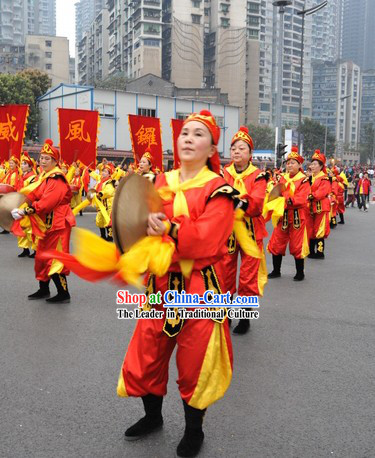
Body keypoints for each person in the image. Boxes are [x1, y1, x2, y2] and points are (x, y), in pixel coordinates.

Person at [49, 110, 236, 458]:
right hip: (161, 285)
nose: (189, 139)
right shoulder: (161, 182)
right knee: (147, 354)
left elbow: (208, 239)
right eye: (184, 133)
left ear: (212, 145)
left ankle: (194, 430)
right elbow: (136, 221)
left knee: (195, 362)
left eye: (198, 134)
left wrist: (170, 229)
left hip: (199, 288)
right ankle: (153, 417)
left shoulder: (220, 190)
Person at [11, 139, 75, 303]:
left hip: (59, 224)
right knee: (41, 257)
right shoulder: (44, 177)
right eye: (42, 158)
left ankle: (63, 293)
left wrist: (25, 211)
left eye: (48, 158)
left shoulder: (57, 178)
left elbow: (47, 203)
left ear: (55, 161)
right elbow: (35, 195)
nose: (43, 161)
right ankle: (43, 290)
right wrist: (22, 204)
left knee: (55, 259)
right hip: (47, 224)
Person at [221, 126, 268, 334]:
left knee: (248, 278)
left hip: (250, 233)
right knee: (225, 274)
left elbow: (257, 203)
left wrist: (238, 203)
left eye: (242, 148)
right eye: (233, 149)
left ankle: (245, 318)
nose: (237, 152)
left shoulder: (258, 176)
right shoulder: (223, 174)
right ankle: (225, 314)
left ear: (250, 153)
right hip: (228, 233)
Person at [267, 148, 310, 281]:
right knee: (277, 242)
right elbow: (274, 191)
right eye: (288, 163)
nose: (289, 165)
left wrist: (286, 197)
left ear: (299, 165)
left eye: (293, 163)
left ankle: (300, 272)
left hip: (297, 216)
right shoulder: (281, 178)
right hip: (282, 214)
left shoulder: (304, 180)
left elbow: (302, 199)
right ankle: (276, 270)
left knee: (297, 244)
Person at [306, 151, 331, 259]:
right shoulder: (310, 178)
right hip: (310, 207)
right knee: (310, 229)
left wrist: (311, 195)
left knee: (319, 230)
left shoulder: (324, 178)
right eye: (312, 164)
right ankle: (311, 251)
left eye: (315, 164)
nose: (312, 166)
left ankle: (320, 252)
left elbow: (322, 192)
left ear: (321, 166)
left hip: (320, 207)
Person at [16, 152, 37, 258]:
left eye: (25, 164)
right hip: (20, 204)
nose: (22, 165)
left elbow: (33, 193)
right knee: (21, 227)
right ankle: (25, 249)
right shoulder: (21, 177)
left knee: (30, 229)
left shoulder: (33, 178)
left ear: (30, 167)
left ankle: (35, 249)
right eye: (22, 163)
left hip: (28, 204)